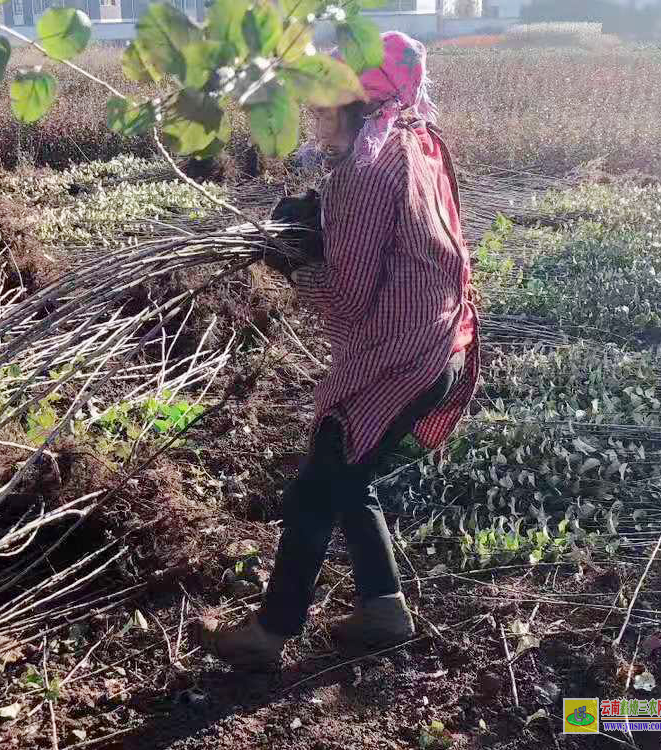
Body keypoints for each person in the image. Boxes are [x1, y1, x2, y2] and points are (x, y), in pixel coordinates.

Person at [194, 31, 480, 670]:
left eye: (323, 105)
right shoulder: (418, 142)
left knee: (315, 488)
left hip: (403, 358)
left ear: (356, 104)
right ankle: (384, 610)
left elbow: (347, 300)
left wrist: (294, 259)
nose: (314, 117)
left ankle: (272, 631)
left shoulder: (362, 175)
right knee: (351, 478)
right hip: (443, 341)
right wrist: (320, 231)